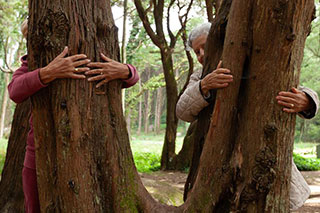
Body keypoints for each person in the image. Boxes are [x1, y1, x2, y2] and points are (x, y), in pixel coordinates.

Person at [176, 23, 319, 210]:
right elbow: (182, 111)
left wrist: (307, 101)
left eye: (205, 46)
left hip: (264, 157)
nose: (201, 54)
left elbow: (296, 89)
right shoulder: (200, 77)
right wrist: (204, 86)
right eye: (197, 52)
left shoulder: (256, 62)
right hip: (220, 164)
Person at [8, 19, 139, 213]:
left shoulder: (91, 47)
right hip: (38, 153)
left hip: (93, 148)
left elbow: (130, 77)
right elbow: (14, 91)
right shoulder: (32, 62)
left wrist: (127, 71)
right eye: (29, 38)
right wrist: (47, 73)